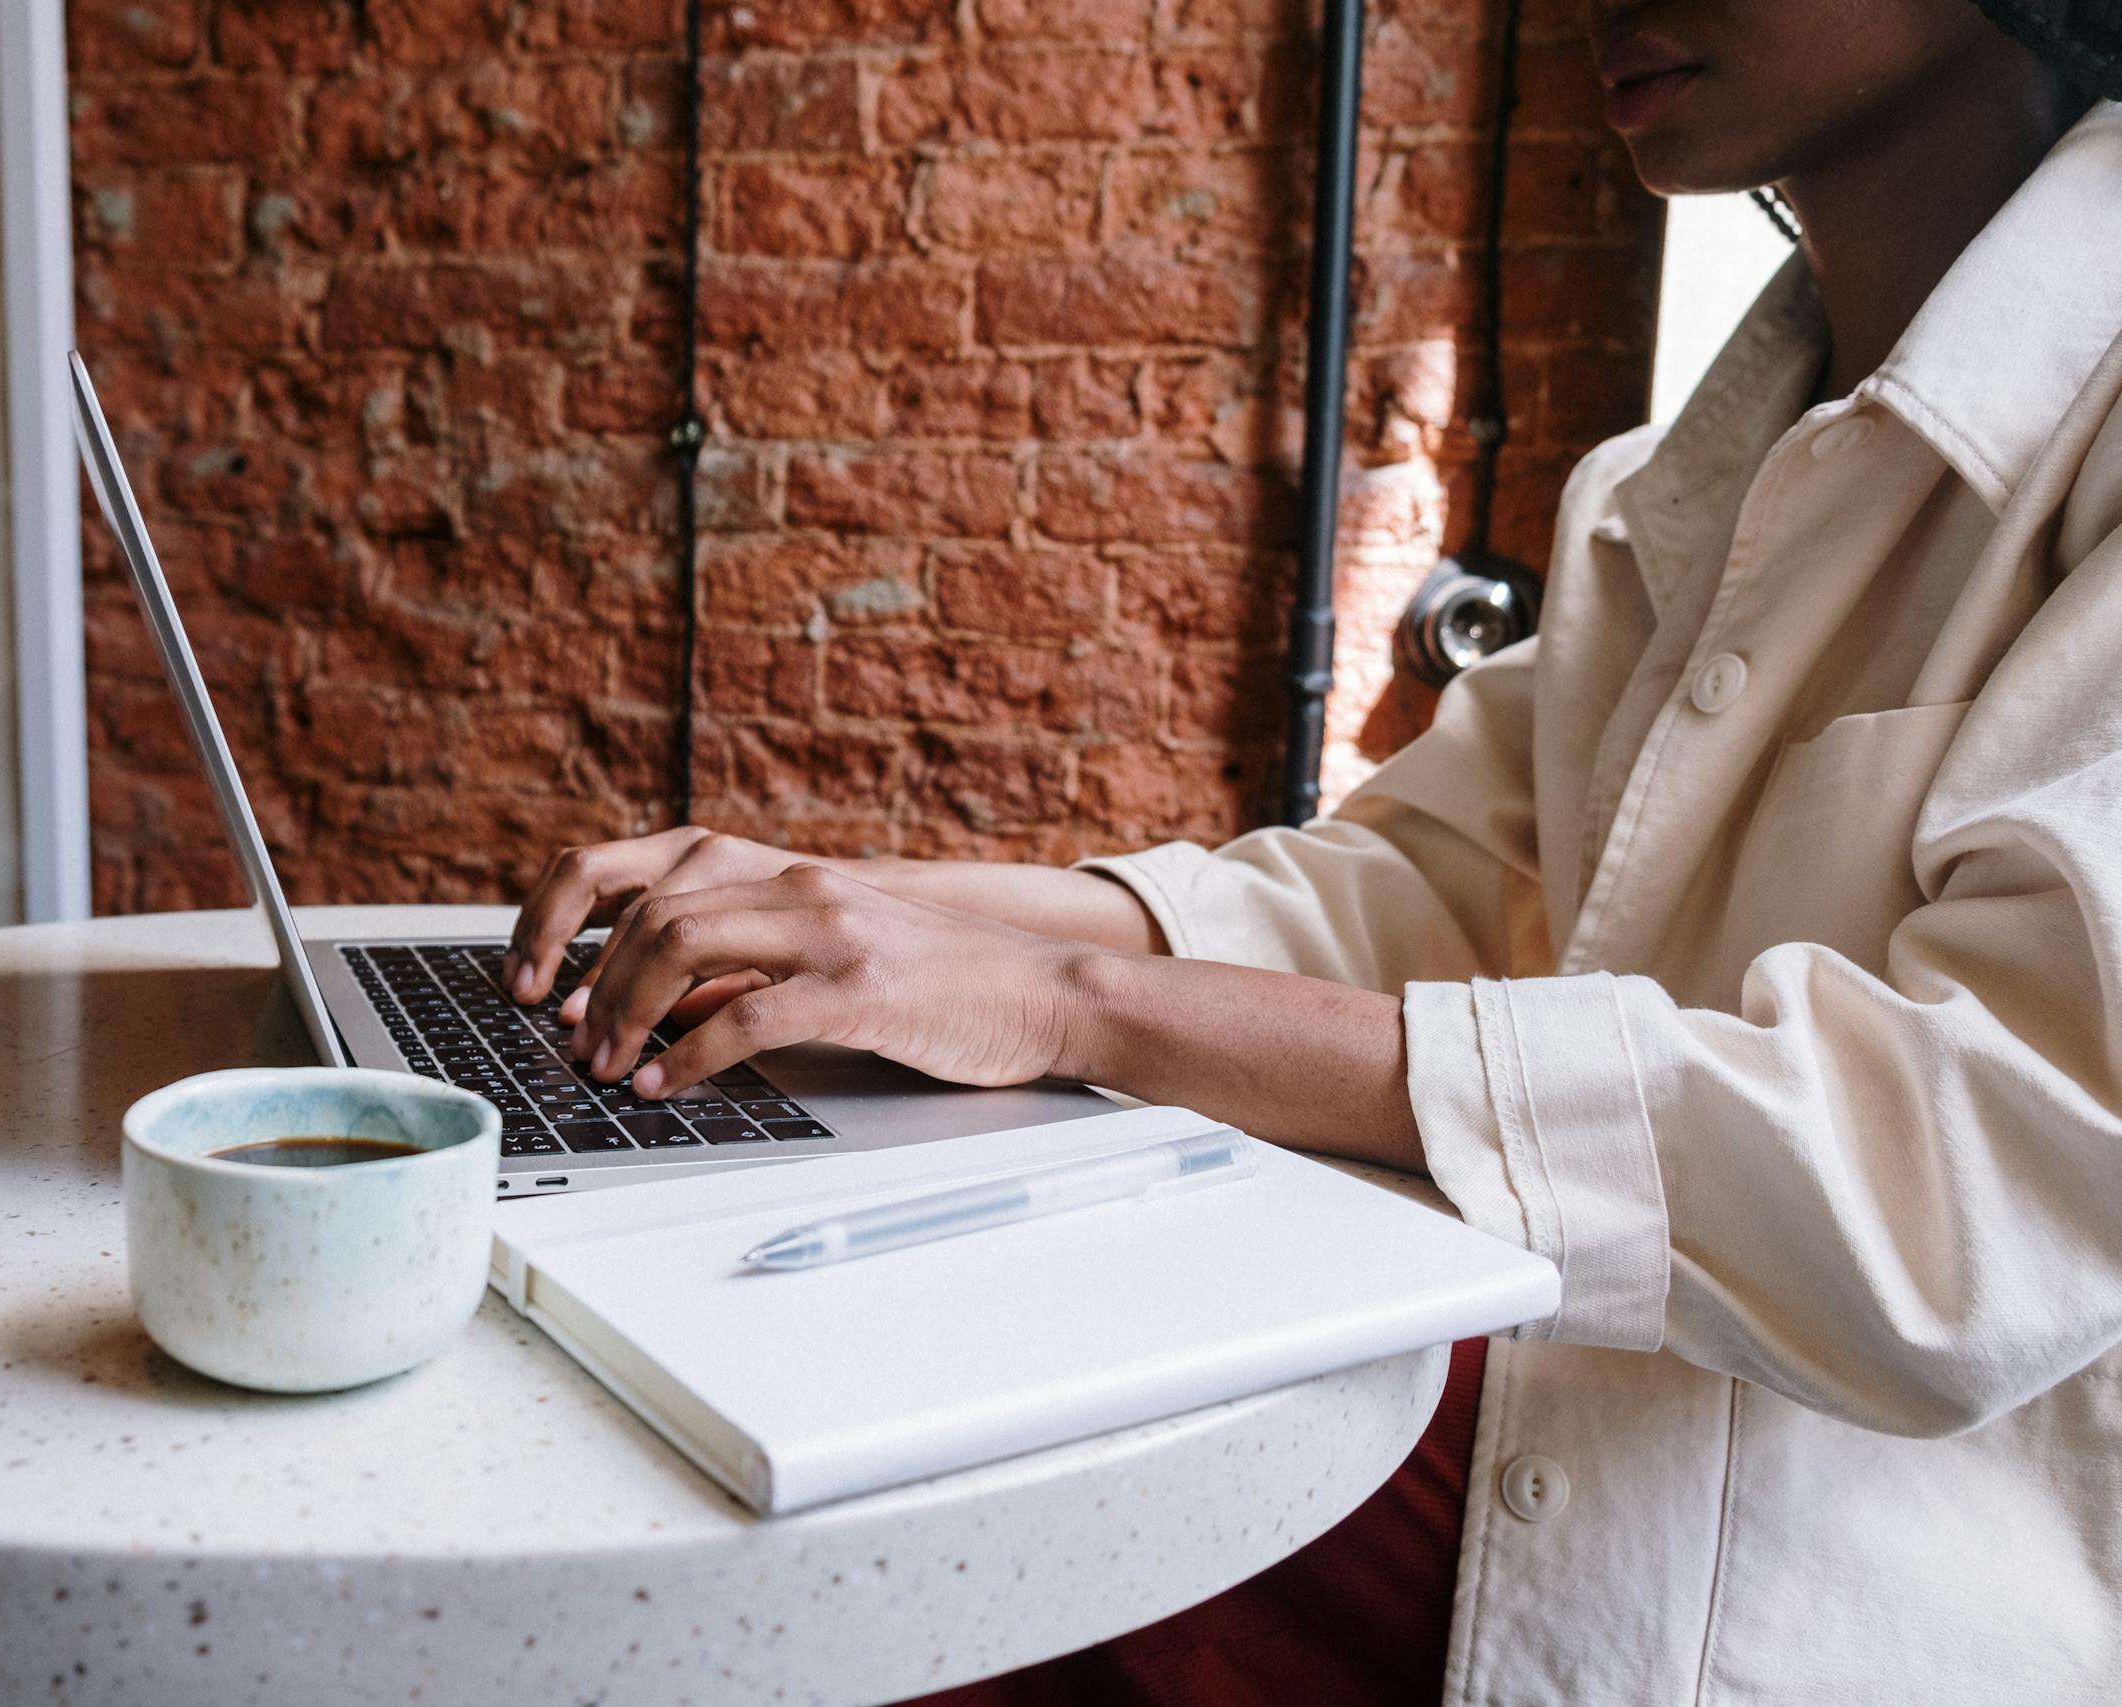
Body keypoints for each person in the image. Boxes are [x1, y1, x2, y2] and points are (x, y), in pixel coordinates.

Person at [501, 0, 2122, 1699]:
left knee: (821, 1571)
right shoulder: (1681, 483)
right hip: (1532, 1417)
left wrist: (1073, 1008)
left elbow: (1972, 1187)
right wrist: (868, 911)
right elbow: (1411, 889)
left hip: (1783, 1591)